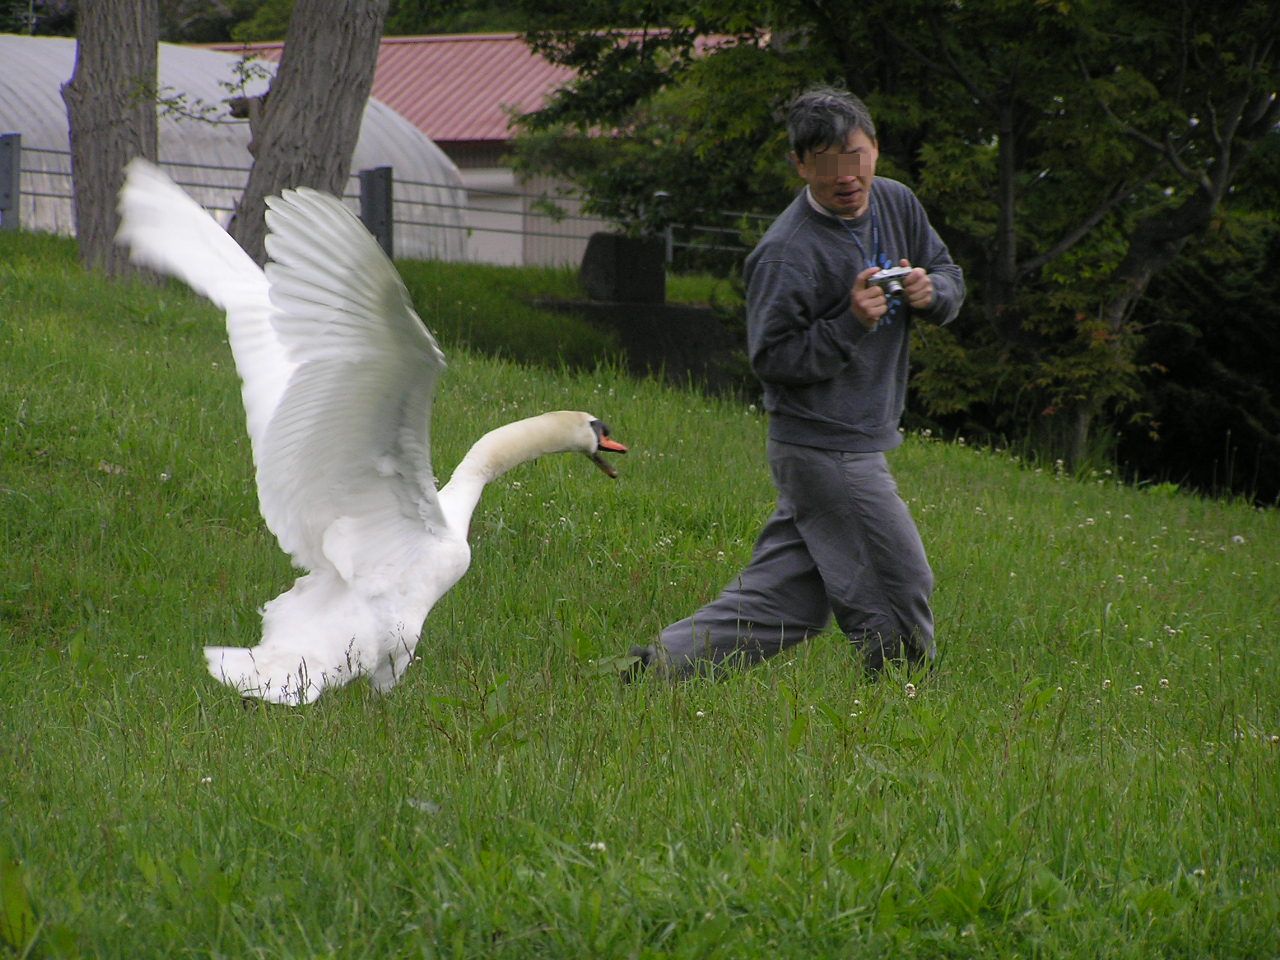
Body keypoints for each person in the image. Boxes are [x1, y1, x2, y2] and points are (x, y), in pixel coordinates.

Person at [629, 85, 965, 679]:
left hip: (854, 437)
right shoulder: (787, 252)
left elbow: (946, 271)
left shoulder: (897, 203)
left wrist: (932, 292)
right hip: (824, 445)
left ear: (876, 150)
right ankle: (902, 700)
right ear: (802, 164)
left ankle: (640, 675)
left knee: (784, 606)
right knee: (900, 581)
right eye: (828, 163)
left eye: (857, 157)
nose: (847, 176)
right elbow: (773, 359)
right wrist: (851, 324)